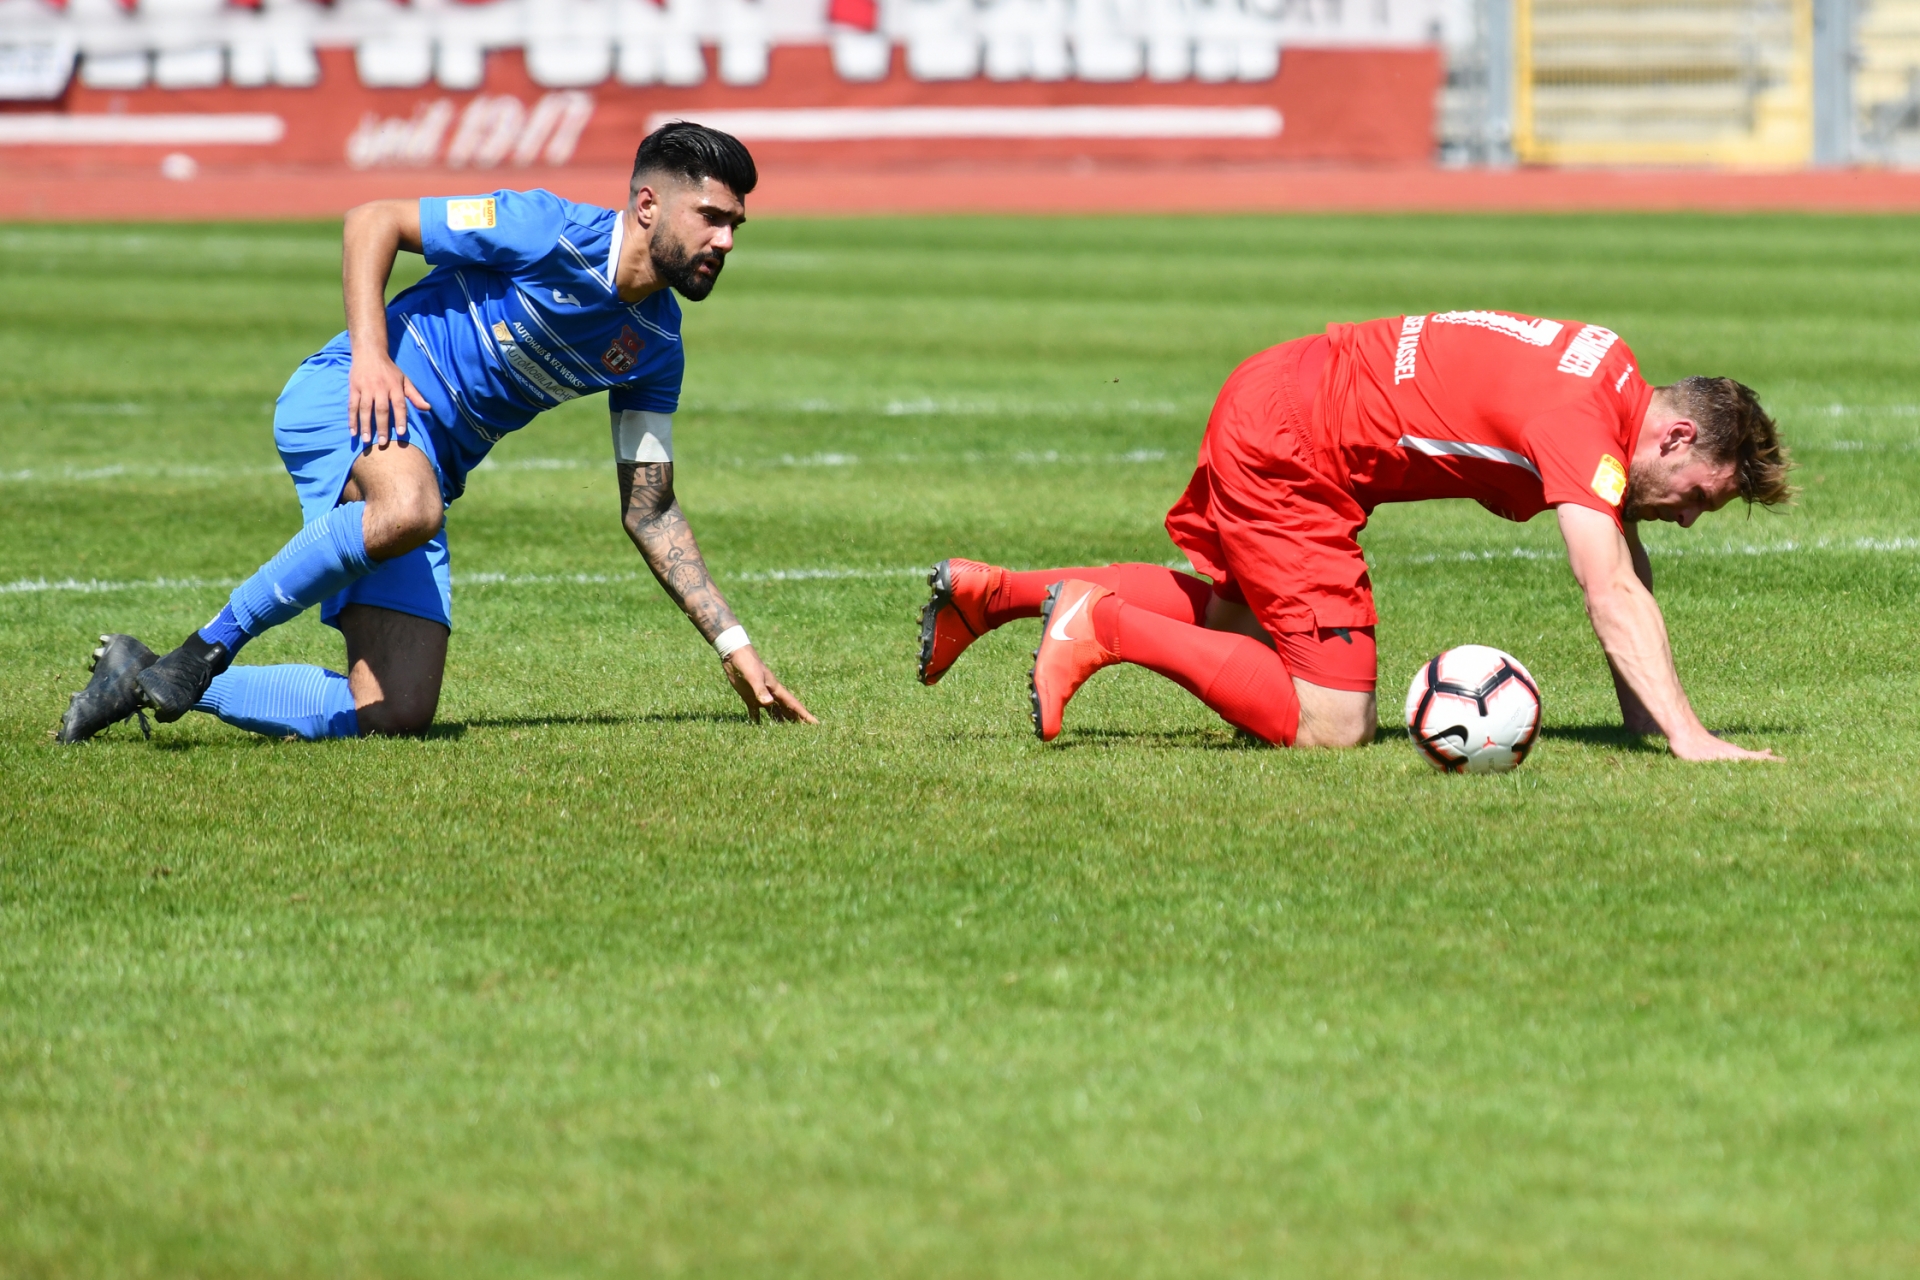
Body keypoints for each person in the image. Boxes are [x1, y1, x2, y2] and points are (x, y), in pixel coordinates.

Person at [59, 122, 814, 744]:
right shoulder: (545, 229)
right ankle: (206, 647)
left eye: (736, 224)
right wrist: (371, 357)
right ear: (648, 205)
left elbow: (648, 509)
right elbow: (372, 221)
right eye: (711, 217)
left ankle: (142, 673)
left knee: (396, 712)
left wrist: (733, 646)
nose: (727, 241)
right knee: (412, 508)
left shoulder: (656, 348)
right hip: (349, 398)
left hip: (418, 465)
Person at [918, 310, 1792, 761]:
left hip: (1280, 387)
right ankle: (1097, 624)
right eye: (1698, 498)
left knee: (1232, 630)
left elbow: (1622, 554)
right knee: (1331, 723)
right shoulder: (1579, 423)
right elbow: (1609, 588)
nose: (1683, 517)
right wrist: (1687, 736)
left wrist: (1643, 717)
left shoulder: (1612, 370)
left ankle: (994, 593)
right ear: (1676, 438)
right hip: (1294, 449)